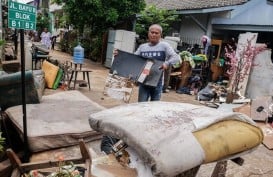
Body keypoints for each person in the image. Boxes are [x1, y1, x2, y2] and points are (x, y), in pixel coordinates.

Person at [134, 24, 181, 102]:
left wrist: (166, 63)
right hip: (144, 80)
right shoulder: (142, 47)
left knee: (155, 106)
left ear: (160, 35)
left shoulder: (164, 45)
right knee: (141, 105)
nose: (154, 34)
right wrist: (119, 55)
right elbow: (133, 58)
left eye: (156, 33)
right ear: (148, 33)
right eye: (152, 32)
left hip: (157, 82)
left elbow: (176, 57)